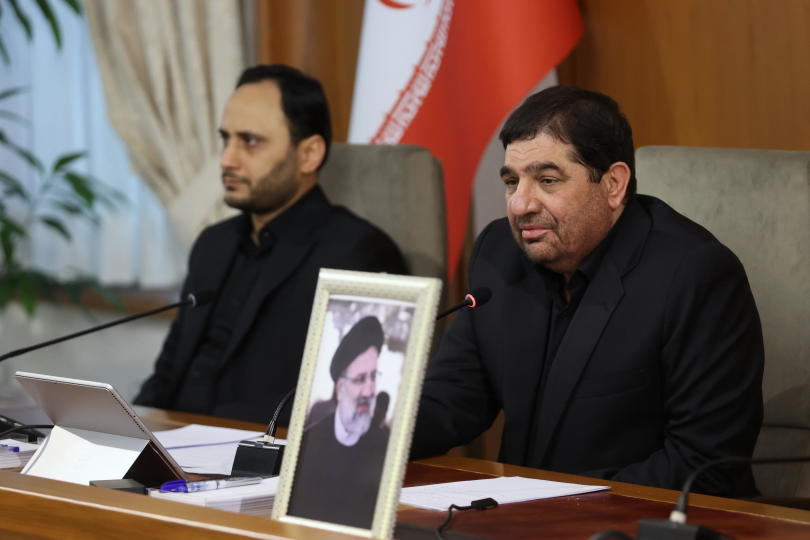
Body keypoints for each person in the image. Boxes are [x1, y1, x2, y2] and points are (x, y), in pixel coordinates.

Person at [411, 85, 764, 497]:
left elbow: (704, 465)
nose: (520, 204)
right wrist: (357, 432)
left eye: (547, 180)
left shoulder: (695, 275)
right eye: (512, 182)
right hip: (521, 521)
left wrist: (559, 507)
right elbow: (454, 397)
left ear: (613, 184)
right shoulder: (499, 254)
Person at [134, 65, 407, 423]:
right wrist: (123, 433)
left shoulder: (358, 254)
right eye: (226, 139)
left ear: (309, 154)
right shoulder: (212, 244)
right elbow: (168, 374)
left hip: (257, 459)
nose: (227, 159)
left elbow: (336, 401)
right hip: (170, 447)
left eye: (249, 141)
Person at [288, 316, 390, 529]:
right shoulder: (309, 442)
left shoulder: (387, 443)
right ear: (340, 388)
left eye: (373, 377)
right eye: (360, 379)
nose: (370, 390)